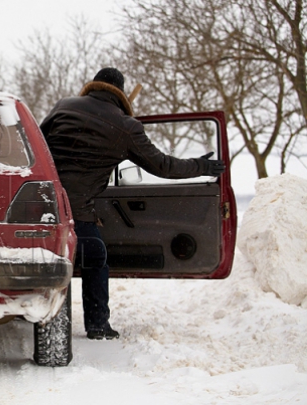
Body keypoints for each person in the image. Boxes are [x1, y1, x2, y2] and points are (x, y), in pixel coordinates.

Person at [40, 67, 225, 340]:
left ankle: (36, 313)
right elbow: (163, 165)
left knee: (44, 261)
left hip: (40, 205)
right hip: (78, 212)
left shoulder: (63, 106)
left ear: (94, 85)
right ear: (121, 93)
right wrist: (201, 166)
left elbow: (36, 145)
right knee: (96, 258)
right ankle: (98, 325)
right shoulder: (126, 127)